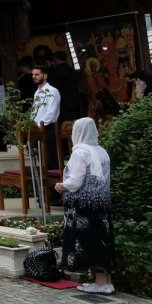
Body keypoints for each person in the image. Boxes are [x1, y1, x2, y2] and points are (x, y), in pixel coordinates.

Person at [54, 118, 114, 294]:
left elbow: (75, 181)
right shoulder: (102, 151)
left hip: (84, 206)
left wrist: (61, 186)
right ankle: (106, 281)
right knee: (102, 239)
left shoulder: (80, 152)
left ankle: (101, 283)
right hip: (102, 204)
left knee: (89, 241)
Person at [31, 66, 62, 170]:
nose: (34, 77)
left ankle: (56, 185)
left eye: (37, 74)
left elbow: (51, 112)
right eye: (33, 75)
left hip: (48, 128)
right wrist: (31, 124)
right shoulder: (37, 92)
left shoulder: (52, 91)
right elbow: (35, 111)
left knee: (51, 160)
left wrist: (40, 126)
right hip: (37, 129)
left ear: (45, 76)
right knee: (42, 161)